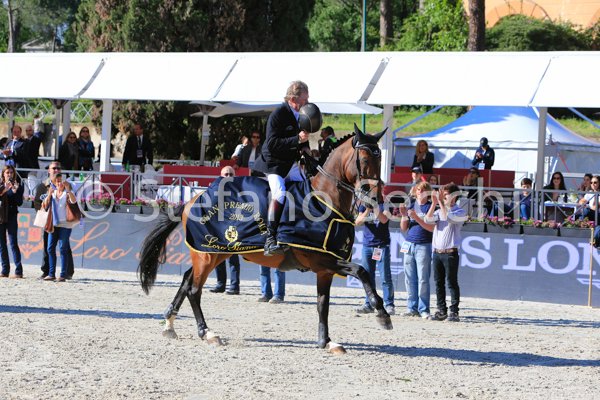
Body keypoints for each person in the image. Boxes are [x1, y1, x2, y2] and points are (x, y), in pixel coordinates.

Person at [253, 80, 310, 256]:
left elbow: (302, 138)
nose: (307, 102)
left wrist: (305, 148)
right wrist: (297, 140)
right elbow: (272, 143)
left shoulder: (301, 114)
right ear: (293, 99)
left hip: (289, 163)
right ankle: (270, 239)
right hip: (274, 164)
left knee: (307, 189)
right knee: (279, 193)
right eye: (304, 99)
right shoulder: (278, 114)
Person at [425, 182, 466, 322]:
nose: (443, 197)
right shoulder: (438, 211)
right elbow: (428, 220)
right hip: (437, 252)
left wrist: (440, 203)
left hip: (450, 253)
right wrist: (433, 203)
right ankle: (441, 310)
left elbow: (448, 217)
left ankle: (454, 311)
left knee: (451, 282)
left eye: (446, 195)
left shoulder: (459, 212)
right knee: (438, 283)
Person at [399, 181, 434, 319]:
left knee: (423, 279)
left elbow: (431, 228)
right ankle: (411, 307)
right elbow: (404, 228)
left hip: (423, 245)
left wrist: (416, 218)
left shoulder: (430, 207)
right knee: (409, 278)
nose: (420, 192)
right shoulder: (411, 205)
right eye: (419, 189)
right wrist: (404, 215)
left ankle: (423, 309)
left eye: (423, 190)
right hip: (409, 243)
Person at [34, 161, 74, 280]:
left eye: (58, 168)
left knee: (64, 247)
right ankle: (47, 271)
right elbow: (37, 203)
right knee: (48, 246)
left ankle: (67, 271)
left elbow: (73, 202)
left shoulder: (66, 185)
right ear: (49, 170)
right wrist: (44, 213)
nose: (56, 170)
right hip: (48, 220)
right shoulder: (43, 186)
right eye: (54, 168)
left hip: (63, 221)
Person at [354, 201, 395, 315]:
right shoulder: (364, 205)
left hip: (381, 245)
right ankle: (369, 304)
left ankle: (389, 304)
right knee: (367, 278)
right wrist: (367, 210)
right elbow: (358, 222)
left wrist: (375, 207)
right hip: (367, 245)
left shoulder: (386, 204)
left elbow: (384, 219)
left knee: (385, 277)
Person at [209, 166, 242, 295]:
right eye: (226, 174)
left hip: (233, 226)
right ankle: (220, 284)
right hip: (218, 226)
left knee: (233, 257)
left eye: (230, 174)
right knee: (218, 256)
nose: (228, 176)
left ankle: (234, 286)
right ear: (220, 175)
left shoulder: (239, 190)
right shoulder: (214, 188)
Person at [41, 171, 77, 282]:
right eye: (57, 181)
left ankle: (63, 274)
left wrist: (69, 190)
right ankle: (51, 273)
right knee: (50, 248)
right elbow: (44, 206)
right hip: (54, 224)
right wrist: (49, 194)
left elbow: (74, 201)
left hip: (65, 224)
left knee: (63, 248)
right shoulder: (52, 193)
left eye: (61, 181)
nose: (59, 183)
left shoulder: (67, 193)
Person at [0, 166, 24, 279]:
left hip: (12, 216)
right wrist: (5, 189)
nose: (9, 174)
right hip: (1, 217)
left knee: (13, 242)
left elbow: (19, 202)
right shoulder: (1, 186)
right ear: (3, 174)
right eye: (7, 172)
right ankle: (5, 270)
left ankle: (18, 270)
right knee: (2, 244)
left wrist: (15, 191)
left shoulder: (18, 186)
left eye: (11, 172)